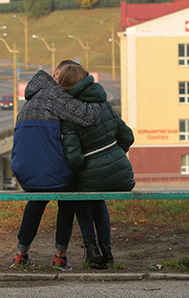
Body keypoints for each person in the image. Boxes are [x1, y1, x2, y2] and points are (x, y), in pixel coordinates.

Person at [10, 69, 102, 270]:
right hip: (53, 175)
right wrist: (95, 97)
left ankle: (20, 254)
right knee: (67, 197)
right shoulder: (54, 96)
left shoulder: (31, 99)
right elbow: (89, 117)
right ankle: (60, 257)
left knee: (36, 200)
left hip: (24, 174)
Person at [57, 60, 134, 269]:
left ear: (65, 86)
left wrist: (87, 164)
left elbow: (73, 158)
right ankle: (107, 252)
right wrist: (115, 155)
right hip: (123, 176)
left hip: (91, 178)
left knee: (81, 196)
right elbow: (127, 136)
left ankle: (92, 250)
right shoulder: (104, 103)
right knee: (98, 201)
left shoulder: (71, 112)